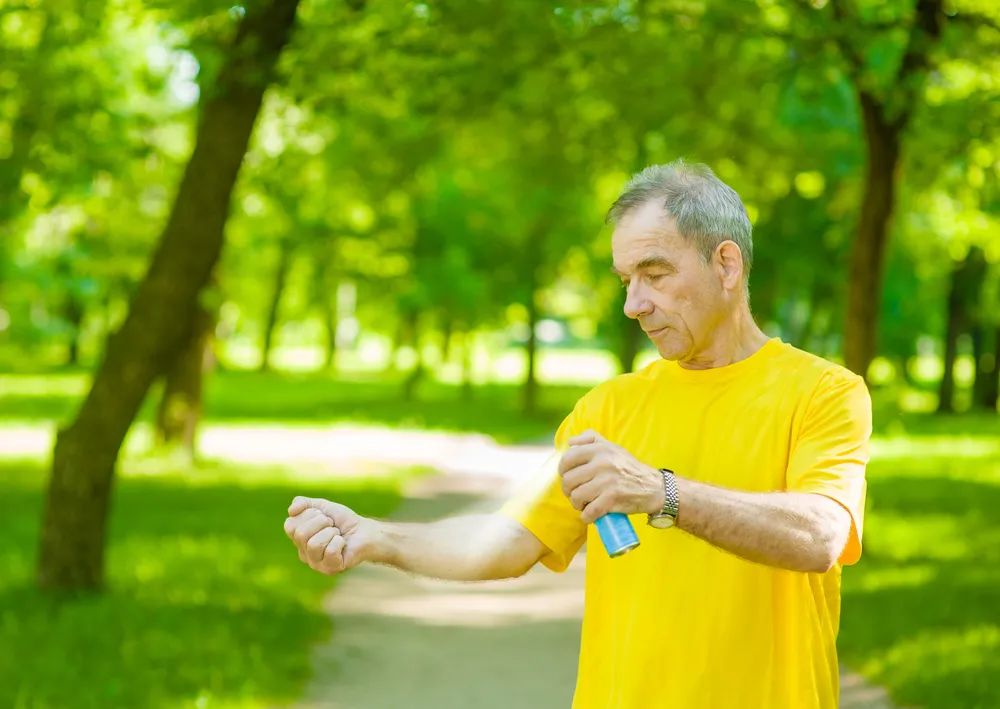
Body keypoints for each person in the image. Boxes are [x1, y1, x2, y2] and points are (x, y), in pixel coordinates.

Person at [283, 160, 871, 709]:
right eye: (624, 280)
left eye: (654, 274)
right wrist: (375, 538)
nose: (634, 304)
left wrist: (661, 493)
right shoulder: (608, 410)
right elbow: (506, 541)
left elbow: (822, 534)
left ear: (726, 264)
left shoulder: (823, 394)